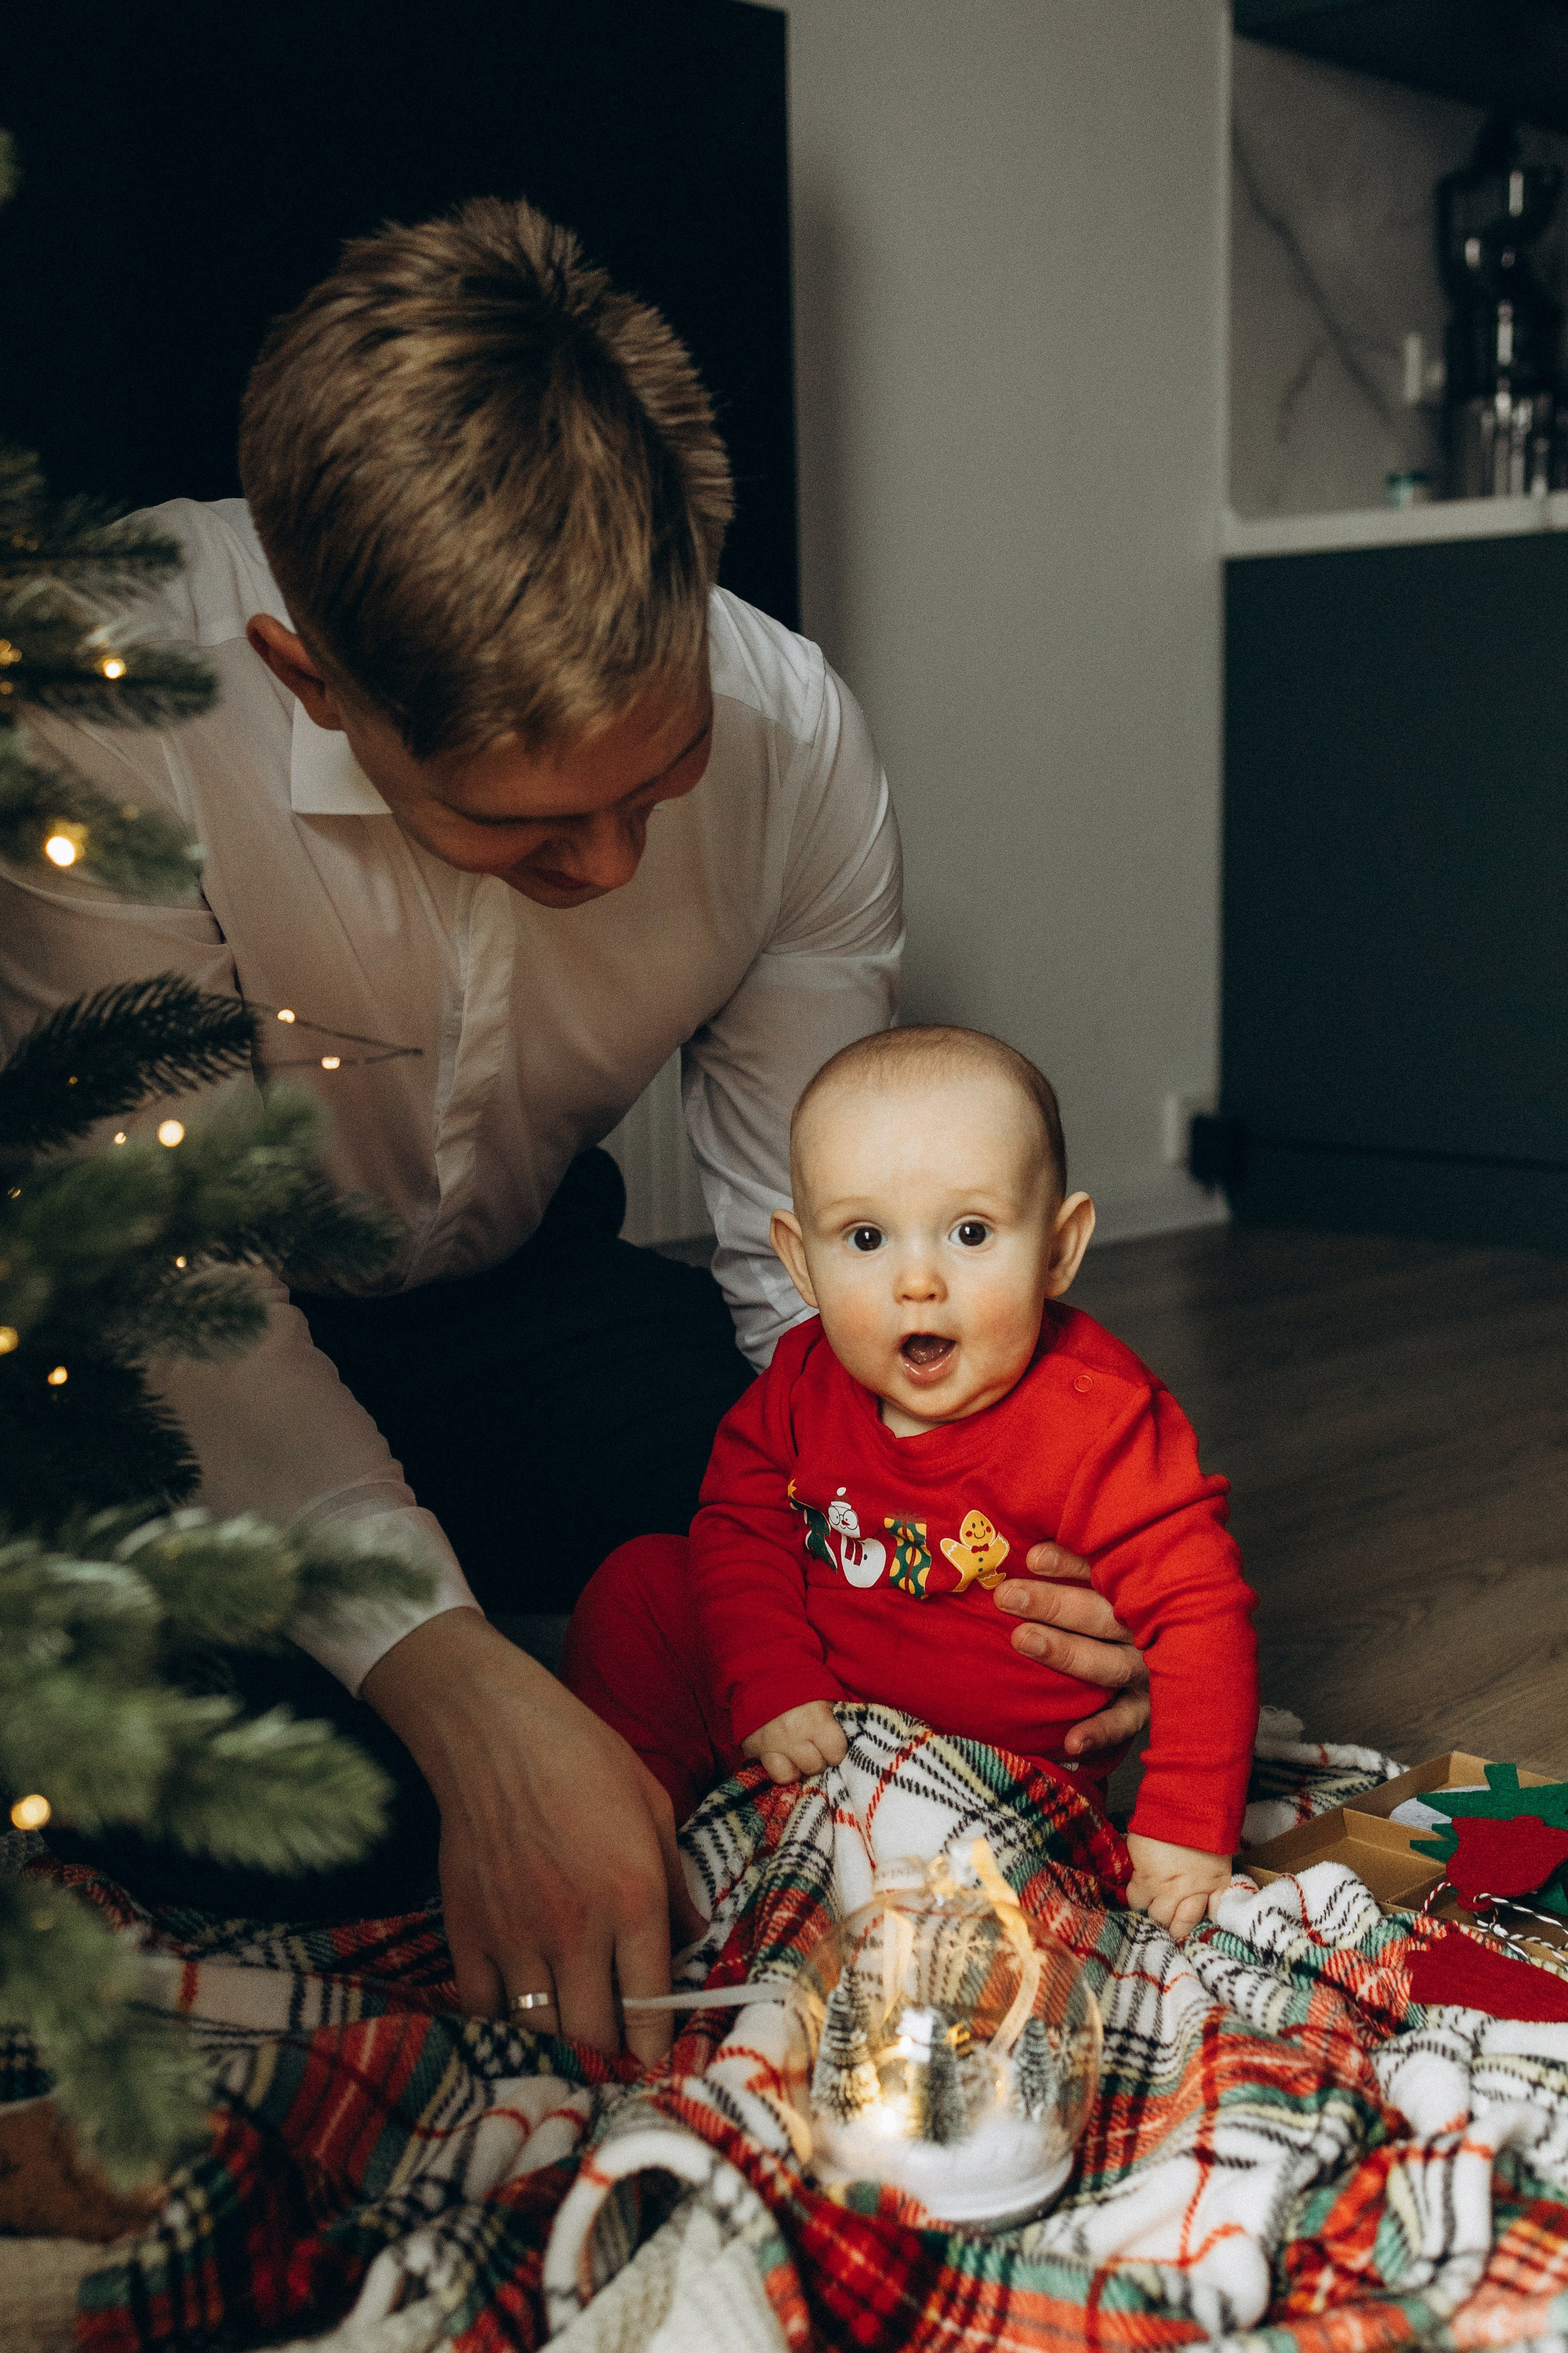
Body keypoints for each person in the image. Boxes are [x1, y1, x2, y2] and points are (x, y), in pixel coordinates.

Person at [2, 200, 1153, 2050]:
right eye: (524, 826)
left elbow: (819, 1275)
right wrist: (462, 1697)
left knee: (874, 1595)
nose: (613, 865)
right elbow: (177, 1297)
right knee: (295, 1806)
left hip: (528, 1304)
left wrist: (985, 1540)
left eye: (660, 777)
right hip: (156, 1350)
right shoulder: (100, 705)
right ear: (312, 678)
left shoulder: (796, 739)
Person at [565, 1025, 1258, 1936]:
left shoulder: (1102, 1418)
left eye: (971, 1232)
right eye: (866, 1237)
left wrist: (1184, 1828)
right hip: (804, 1724)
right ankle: (636, 1838)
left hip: (993, 1784)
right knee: (640, 1585)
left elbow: (1199, 1612)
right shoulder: (802, 1381)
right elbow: (738, 1527)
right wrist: (772, 1682)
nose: (918, 1280)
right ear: (801, 1262)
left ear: (1058, 1251)